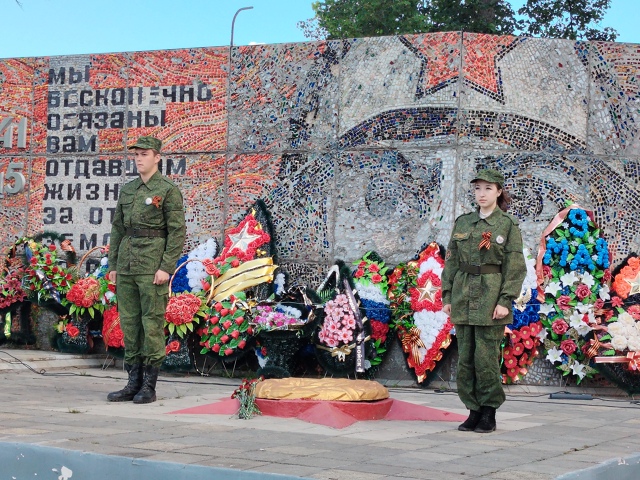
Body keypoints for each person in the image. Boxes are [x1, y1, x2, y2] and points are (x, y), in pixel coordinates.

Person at [441, 168, 526, 433]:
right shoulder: (463, 223)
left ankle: (489, 412)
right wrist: (447, 295)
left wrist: (505, 300)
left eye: (488, 188)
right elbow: (452, 261)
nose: (481, 193)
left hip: (490, 299)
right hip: (464, 296)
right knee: (465, 359)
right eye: (477, 188)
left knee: (486, 358)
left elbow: (515, 266)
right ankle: (473, 411)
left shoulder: (507, 225)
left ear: (499, 191)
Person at [106, 136, 186, 404]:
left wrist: (166, 266)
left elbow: (176, 232)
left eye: (144, 154)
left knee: (151, 322)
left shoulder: (168, 190)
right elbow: (118, 227)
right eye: (136, 155)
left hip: (152, 266)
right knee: (129, 322)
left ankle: (149, 386)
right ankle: (133, 382)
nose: (139, 159)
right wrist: (114, 264)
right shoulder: (128, 190)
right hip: (127, 264)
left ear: (157, 157)